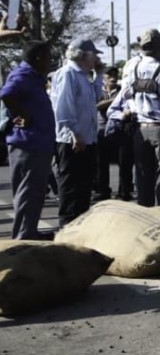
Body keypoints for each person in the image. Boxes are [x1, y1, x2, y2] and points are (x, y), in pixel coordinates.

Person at [106, 28, 160, 207]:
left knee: (143, 177)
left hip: (140, 130)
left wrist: (129, 111)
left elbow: (120, 102)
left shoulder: (131, 71)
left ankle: (145, 213)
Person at [1, 41, 56, 239]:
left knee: (34, 192)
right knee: (28, 192)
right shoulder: (24, 74)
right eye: (48, 56)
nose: (51, 60)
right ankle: (24, 236)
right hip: (28, 144)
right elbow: (7, 94)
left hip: (37, 143)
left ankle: (28, 231)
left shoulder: (34, 76)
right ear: (38, 58)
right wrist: (22, 114)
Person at [51, 38, 105, 226]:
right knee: (71, 187)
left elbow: (94, 98)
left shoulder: (83, 76)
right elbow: (63, 107)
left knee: (83, 186)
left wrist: (99, 75)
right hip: (72, 140)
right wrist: (75, 133)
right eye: (94, 55)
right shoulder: (68, 73)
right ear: (83, 56)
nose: (96, 59)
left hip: (86, 139)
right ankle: (66, 225)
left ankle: (79, 225)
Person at [93, 66, 121, 201]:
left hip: (118, 130)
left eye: (115, 75)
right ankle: (103, 191)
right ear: (104, 77)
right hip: (101, 130)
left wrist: (107, 103)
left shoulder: (121, 90)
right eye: (109, 75)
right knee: (101, 164)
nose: (113, 78)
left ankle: (123, 191)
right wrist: (114, 101)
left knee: (122, 162)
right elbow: (96, 105)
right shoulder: (98, 90)